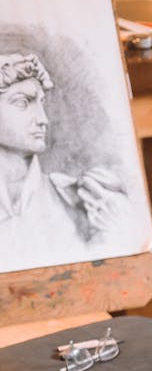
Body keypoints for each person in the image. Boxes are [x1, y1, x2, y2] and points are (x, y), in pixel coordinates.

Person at [0, 51, 129, 272]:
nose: (43, 119)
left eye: (41, 103)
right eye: (23, 103)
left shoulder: (78, 199)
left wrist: (115, 230)